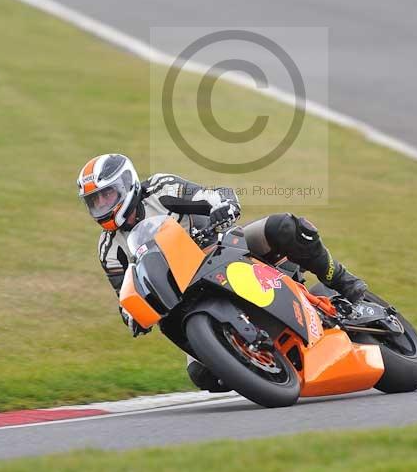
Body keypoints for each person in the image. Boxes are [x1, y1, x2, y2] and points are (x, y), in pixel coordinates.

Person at [77, 153, 368, 392]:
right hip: (183, 297)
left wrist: (223, 206)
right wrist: (134, 316)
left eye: (106, 196)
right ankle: (262, 359)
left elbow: (214, 195)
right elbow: (125, 295)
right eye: (94, 202)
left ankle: (344, 281)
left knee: (285, 227)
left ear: (127, 184)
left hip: (222, 252)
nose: (102, 206)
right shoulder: (108, 251)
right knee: (204, 377)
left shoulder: (160, 189)